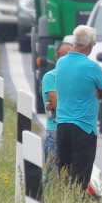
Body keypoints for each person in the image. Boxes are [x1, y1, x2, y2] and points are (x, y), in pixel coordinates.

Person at [55, 24, 102, 195]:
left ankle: (64, 202)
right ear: (89, 45)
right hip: (84, 126)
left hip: (62, 124)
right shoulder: (92, 67)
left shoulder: (61, 63)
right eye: (93, 44)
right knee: (81, 171)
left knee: (64, 168)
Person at [41, 38, 72, 168]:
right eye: (63, 57)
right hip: (55, 131)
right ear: (56, 57)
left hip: (72, 131)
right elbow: (56, 103)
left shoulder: (75, 76)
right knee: (52, 176)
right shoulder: (50, 77)